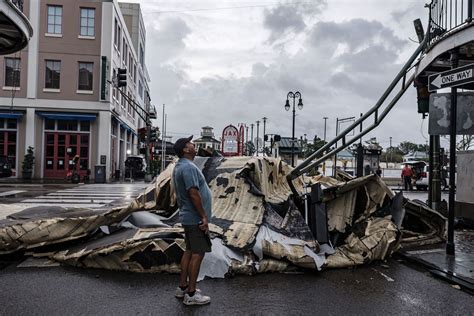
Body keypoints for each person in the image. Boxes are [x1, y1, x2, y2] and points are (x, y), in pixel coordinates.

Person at [172, 136, 212, 306]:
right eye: (190, 143)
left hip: (188, 216)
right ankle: (191, 294)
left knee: (189, 251)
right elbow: (193, 193)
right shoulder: (188, 167)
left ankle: (182, 287)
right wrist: (203, 216)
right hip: (195, 218)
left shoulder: (181, 166)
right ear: (185, 149)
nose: (194, 144)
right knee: (198, 254)